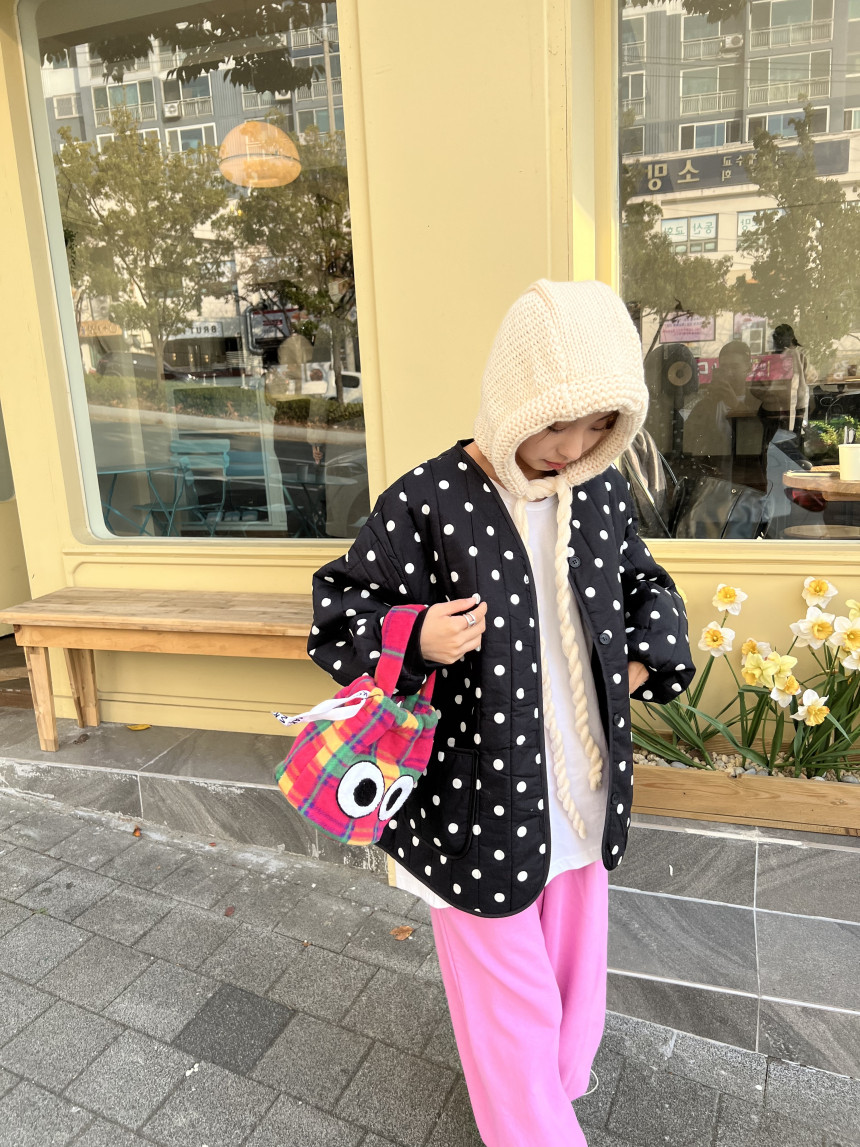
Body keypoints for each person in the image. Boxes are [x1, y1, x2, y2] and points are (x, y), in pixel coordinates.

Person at [308, 280, 695, 1147]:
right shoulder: (428, 500)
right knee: (505, 991)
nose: (575, 446)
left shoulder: (598, 493)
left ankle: (554, 1096)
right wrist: (416, 635)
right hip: (469, 797)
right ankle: (535, 1129)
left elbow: (646, 582)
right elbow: (338, 611)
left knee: (574, 969)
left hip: (582, 782)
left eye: (600, 425)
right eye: (557, 422)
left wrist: (640, 658)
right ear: (514, 396)